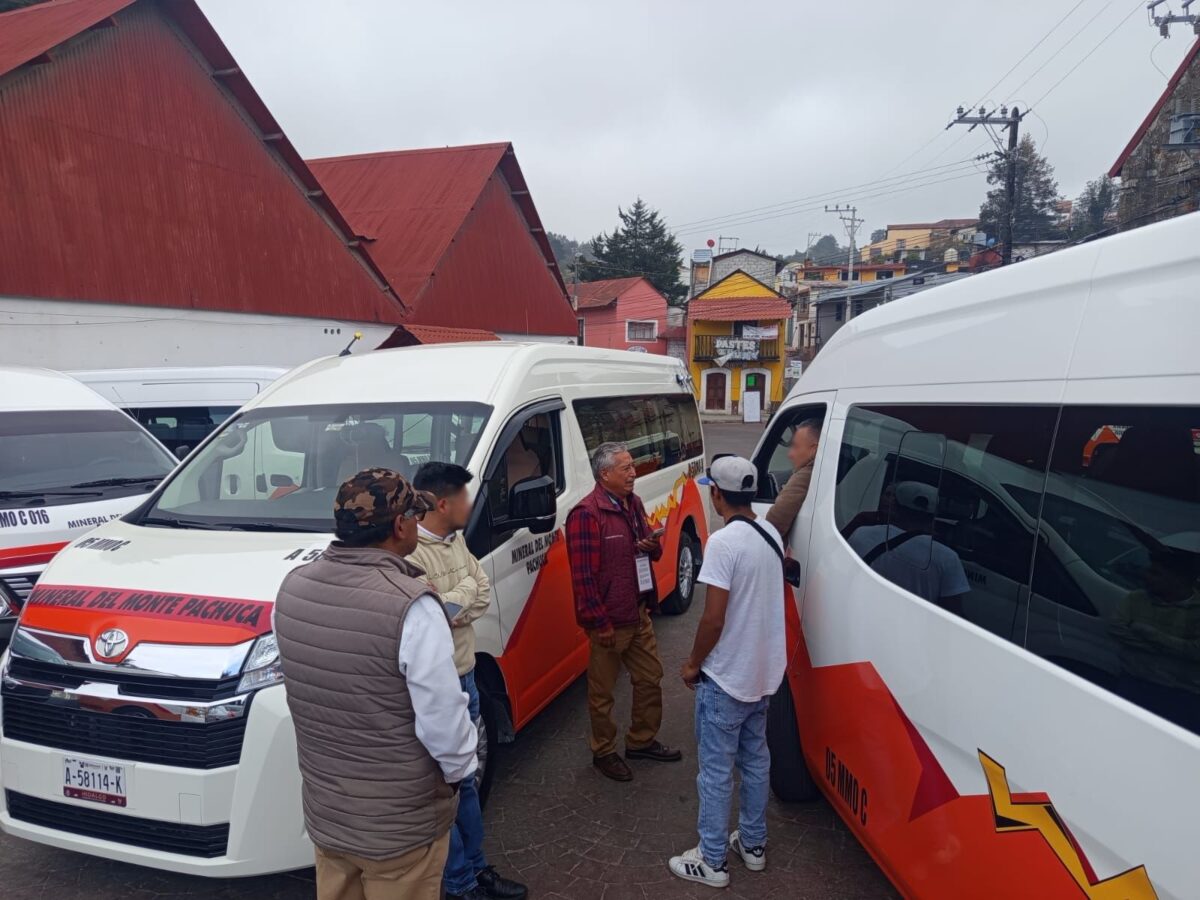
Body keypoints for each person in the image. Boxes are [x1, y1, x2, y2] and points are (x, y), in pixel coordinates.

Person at [274, 468, 477, 900]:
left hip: (329, 813)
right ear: (401, 525)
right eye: (414, 517)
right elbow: (443, 723)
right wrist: (459, 775)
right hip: (399, 826)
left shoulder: (293, 587)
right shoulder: (411, 605)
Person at [408, 462, 526, 900]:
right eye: (465, 497)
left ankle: (476, 871)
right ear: (443, 503)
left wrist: (453, 606)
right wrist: (454, 607)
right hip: (438, 688)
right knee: (445, 791)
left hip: (467, 675)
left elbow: (480, 588)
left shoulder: (456, 540)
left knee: (468, 782)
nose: (472, 505)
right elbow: (432, 617)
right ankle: (458, 882)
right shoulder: (410, 553)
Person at [670, 455, 788, 889]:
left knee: (716, 770)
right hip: (762, 675)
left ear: (716, 493)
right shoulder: (770, 532)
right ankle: (753, 846)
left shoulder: (722, 543)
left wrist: (693, 663)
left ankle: (713, 859)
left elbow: (713, 619)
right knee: (756, 760)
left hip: (726, 677)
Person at [566, 441, 682, 782]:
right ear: (605, 474)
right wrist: (599, 622)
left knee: (650, 678)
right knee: (602, 694)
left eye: (632, 466)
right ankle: (603, 751)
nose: (633, 473)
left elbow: (649, 548)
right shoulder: (586, 514)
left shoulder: (633, 503)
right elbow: (583, 576)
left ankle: (641, 741)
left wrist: (651, 545)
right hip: (609, 623)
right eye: (626, 468)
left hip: (638, 611)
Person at [845, 481, 969, 611]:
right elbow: (951, 613)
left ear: (895, 507)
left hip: (856, 614)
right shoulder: (947, 558)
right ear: (934, 515)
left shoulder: (861, 534)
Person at [765, 418, 821, 539]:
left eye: (795, 447)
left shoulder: (806, 475)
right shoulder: (831, 468)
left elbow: (774, 522)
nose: (790, 454)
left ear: (814, 450)